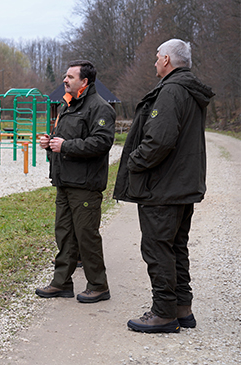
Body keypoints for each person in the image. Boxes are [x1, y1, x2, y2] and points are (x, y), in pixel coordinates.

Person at [114, 39, 214, 333]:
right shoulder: (188, 90)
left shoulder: (171, 91)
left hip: (163, 187)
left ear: (167, 60)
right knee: (176, 247)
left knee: (158, 248)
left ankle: (164, 312)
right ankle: (182, 308)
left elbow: (159, 140)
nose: (155, 62)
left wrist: (135, 162)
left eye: (157, 57)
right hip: (181, 184)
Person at [35, 60, 115, 304]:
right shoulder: (65, 106)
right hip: (64, 181)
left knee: (86, 235)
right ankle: (62, 283)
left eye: (70, 76)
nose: (65, 80)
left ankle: (98, 285)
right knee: (65, 234)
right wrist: (50, 143)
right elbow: (63, 139)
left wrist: (66, 146)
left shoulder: (100, 108)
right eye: (65, 76)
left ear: (85, 81)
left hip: (85, 185)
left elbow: (102, 143)